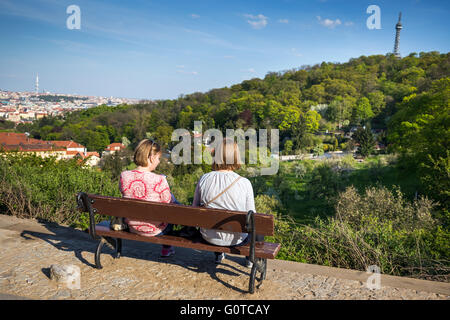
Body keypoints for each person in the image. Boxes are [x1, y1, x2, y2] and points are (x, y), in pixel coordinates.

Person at [192, 138, 263, 266]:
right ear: (236, 156)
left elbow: (194, 209)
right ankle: (249, 260)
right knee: (259, 226)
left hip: (209, 237)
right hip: (236, 239)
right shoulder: (244, 183)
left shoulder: (204, 178)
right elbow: (252, 215)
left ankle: (219, 255)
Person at [119, 139, 175, 257]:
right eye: (158, 158)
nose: (159, 162)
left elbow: (123, 192)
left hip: (132, 227)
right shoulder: (160, 179)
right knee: (174, 207)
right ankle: (166, 248)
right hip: (155, 230)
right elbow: (168, 203)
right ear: (152, 157)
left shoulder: (124, 176)